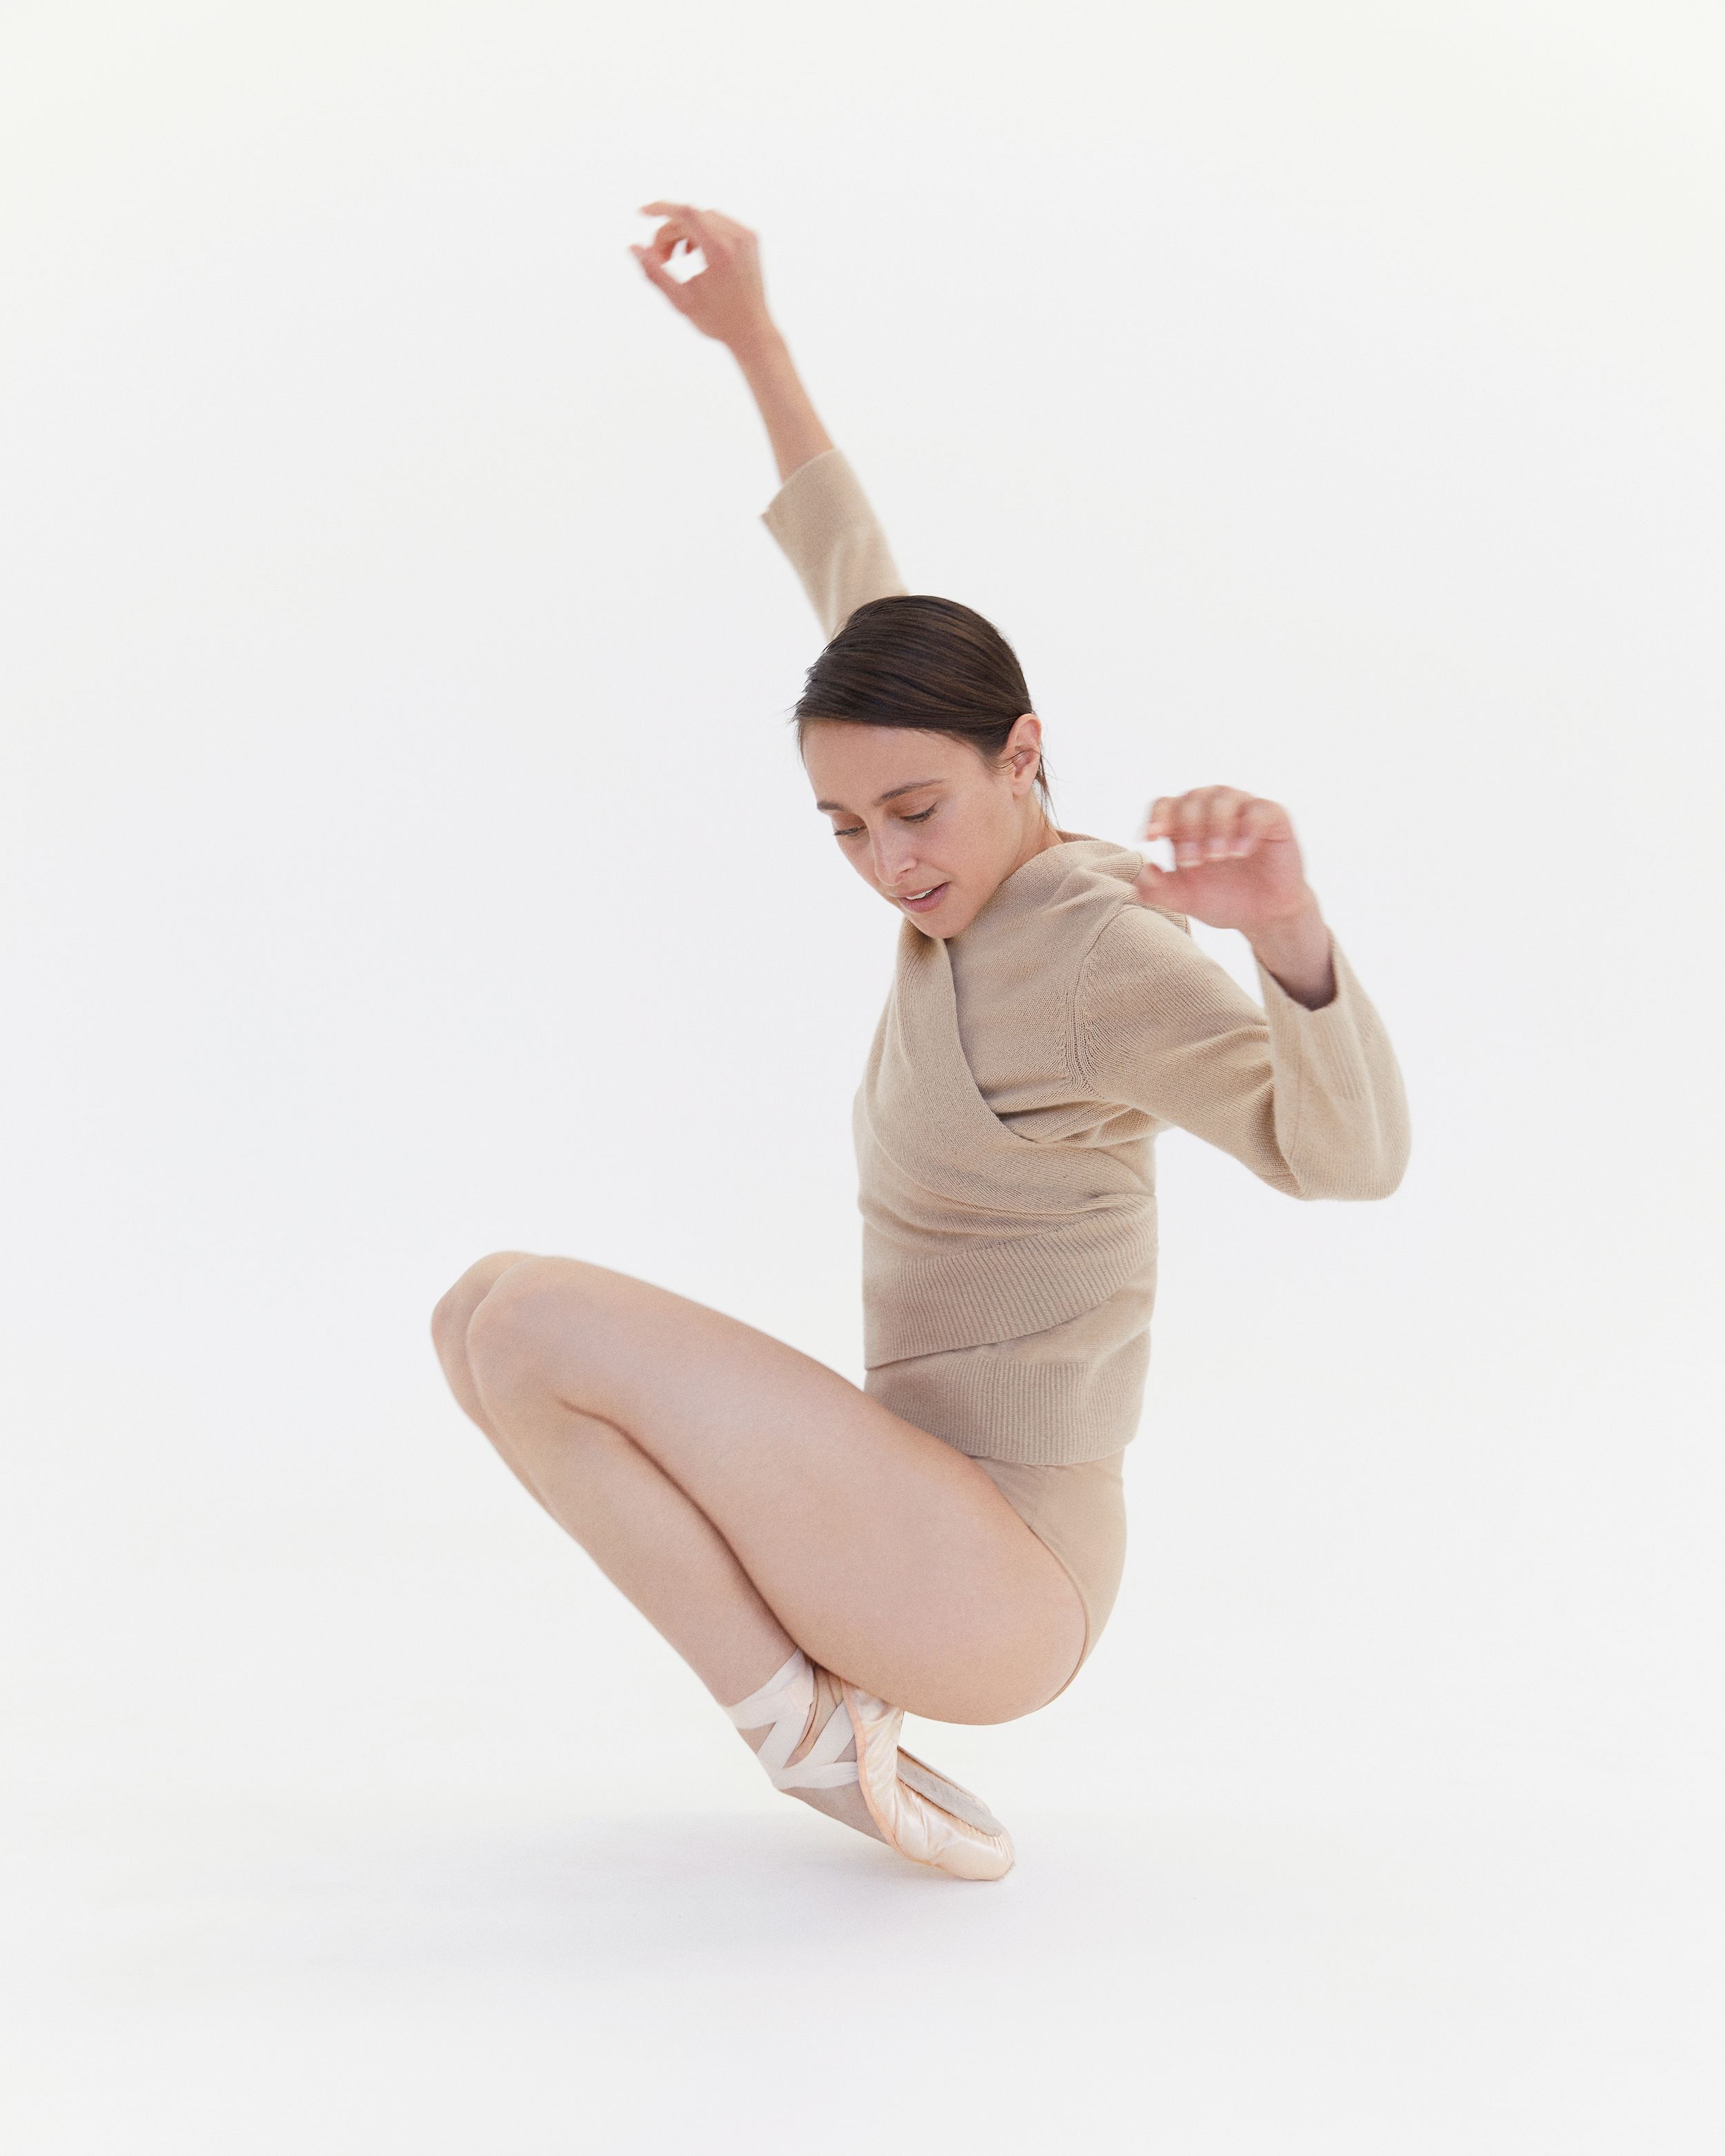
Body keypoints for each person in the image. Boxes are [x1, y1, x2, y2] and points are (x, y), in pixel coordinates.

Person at [428, 201, 1412, 1882]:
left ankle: (811, 1741)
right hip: (897, 1513)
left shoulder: (1097, 951)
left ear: (1021, 754)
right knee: (480, 1309)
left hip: (1006, 1577)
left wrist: (1287, 937)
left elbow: (1348, 1161)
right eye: (843, 829)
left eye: (912, 810)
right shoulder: (946, 835)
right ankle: (815, 1717)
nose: (888, 861)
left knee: (530, 1317)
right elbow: (849, 563)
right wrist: (750, 335)